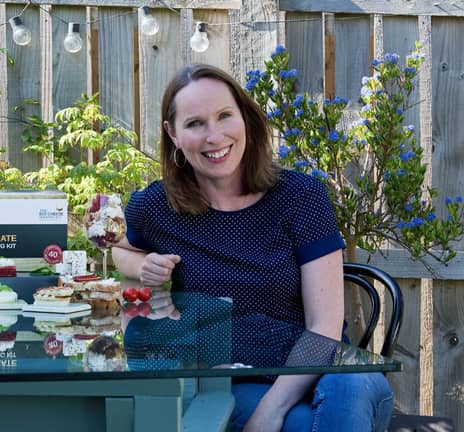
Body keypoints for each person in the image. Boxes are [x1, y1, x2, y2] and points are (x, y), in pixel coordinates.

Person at [111, 64, 393, 432]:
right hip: (237, 379)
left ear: (244, 117)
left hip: (321, 368)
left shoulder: (301, 197)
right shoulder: (156, 206)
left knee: (351, 385)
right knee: (304, 424)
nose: (215, 136)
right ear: (173, 134)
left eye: (224, 116)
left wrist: (271, 410)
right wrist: (144, 264)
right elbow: (120, 249)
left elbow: (323, 326)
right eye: (195, 123)